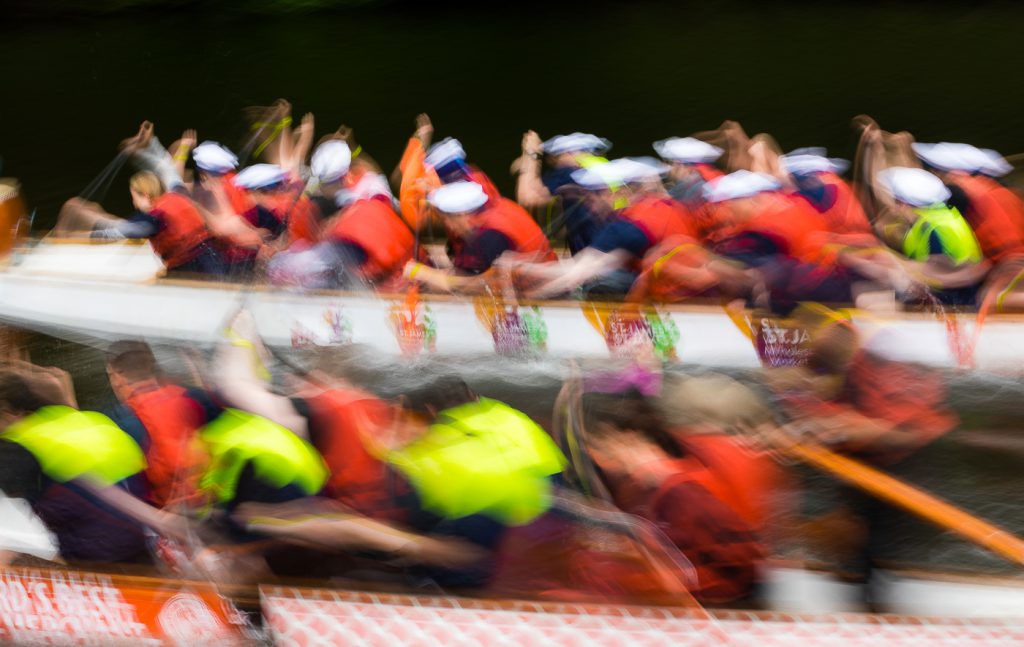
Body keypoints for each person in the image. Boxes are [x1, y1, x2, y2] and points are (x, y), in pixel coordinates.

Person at [577, 389, 766, 604]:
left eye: (598, 446)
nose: (596, 457)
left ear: (627, 438)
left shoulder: (681, 492)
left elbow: (740, 570)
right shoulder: (648, 488)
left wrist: (644, 578)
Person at [513, 158, 697, 299]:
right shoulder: (670, 206)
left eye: (594, 195)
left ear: (619, 193)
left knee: (598, 284)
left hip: (676, 301)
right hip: (696, 292)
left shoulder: (627, 228)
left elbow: (575, 275)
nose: (589, 204)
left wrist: (528, 287)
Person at [105, 340, 220, 508]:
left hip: (173, 515)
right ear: (152, 366)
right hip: (215, 500)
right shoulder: (191, 396)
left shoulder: (121, 420)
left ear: (116, 376)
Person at [912, 142, 1024, 311]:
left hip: (1012, 267)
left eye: (938, 173)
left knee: (988, 301)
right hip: (1008, 265)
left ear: (957, 174)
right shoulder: (995, 192)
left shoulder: (977, 197)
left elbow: (1009, 257)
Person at [59, 170, 225, 276]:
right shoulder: (177, 194)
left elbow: (123, 231)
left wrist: (85, 234)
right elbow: (171, 173)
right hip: (215, 260)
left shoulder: (152, 219)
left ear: (145, 195)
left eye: (134, 197)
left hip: (194, 269)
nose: (133, 204)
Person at [404, 181, 555, 294]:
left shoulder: (487, 237)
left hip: (542, 297)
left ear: (462, 214)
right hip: (542, 280)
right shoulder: (497, 209)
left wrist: (426, 274)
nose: (448, 226)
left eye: (446, 219)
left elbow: (479, 285)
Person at [516, 131, 614, 254]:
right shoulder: (604, 172)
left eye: (556, 156)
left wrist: (531, 155)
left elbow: (528, 198)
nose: (554, 162)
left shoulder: (568, 173)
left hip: (596, 258)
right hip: (616, 249)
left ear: (569, 153)